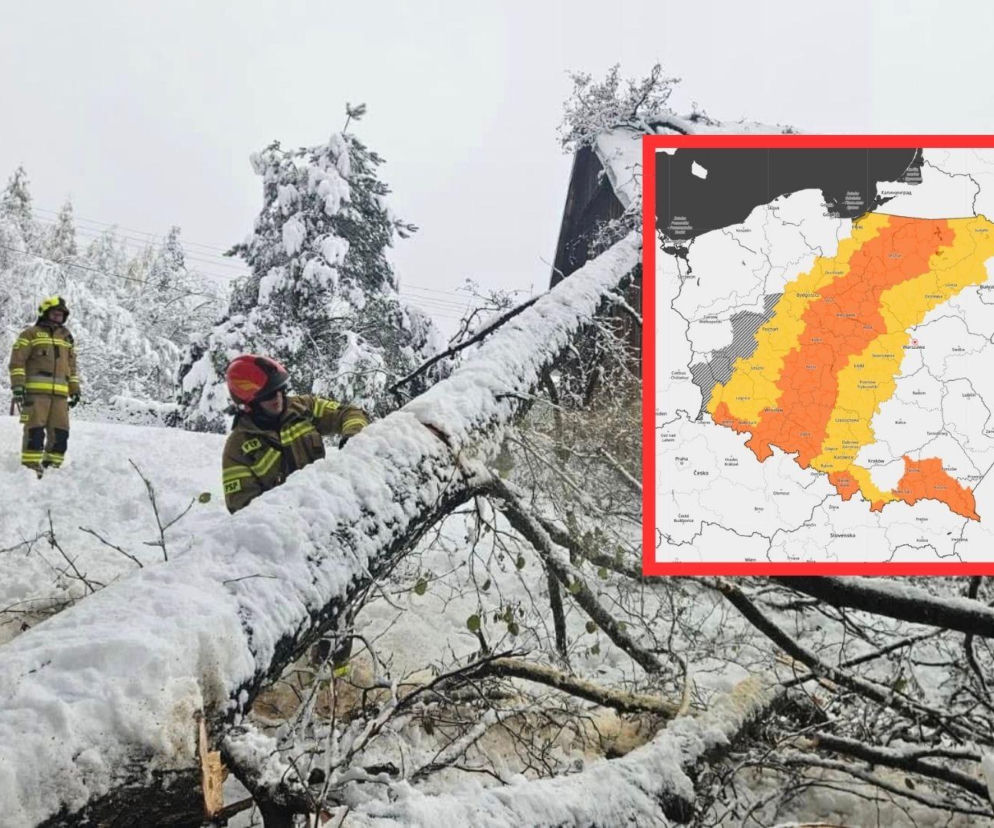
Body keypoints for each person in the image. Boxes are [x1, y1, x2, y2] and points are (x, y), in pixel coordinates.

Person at [221, 354, 369, 514]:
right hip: (292, 527)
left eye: (280, 389)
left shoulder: (303, 407)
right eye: (269, 394)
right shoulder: (237, 449)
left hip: (330, 507)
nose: (277, 398)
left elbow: (349, 413)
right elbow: (246, 514)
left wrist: (353, 436)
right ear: (249, 403)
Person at [8, 296, 81, 476]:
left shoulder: (67, 337)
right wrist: (18, 386)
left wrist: (75, 390)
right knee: (35, 431)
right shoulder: (30, 334)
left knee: (61, 434)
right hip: (36, 394)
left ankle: (53, 468)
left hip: (60, 397)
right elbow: (17, 362)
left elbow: (71, 366)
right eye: (55, 314)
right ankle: (30, 469)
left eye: (61, 315)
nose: (58, 317)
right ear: (44, 313)